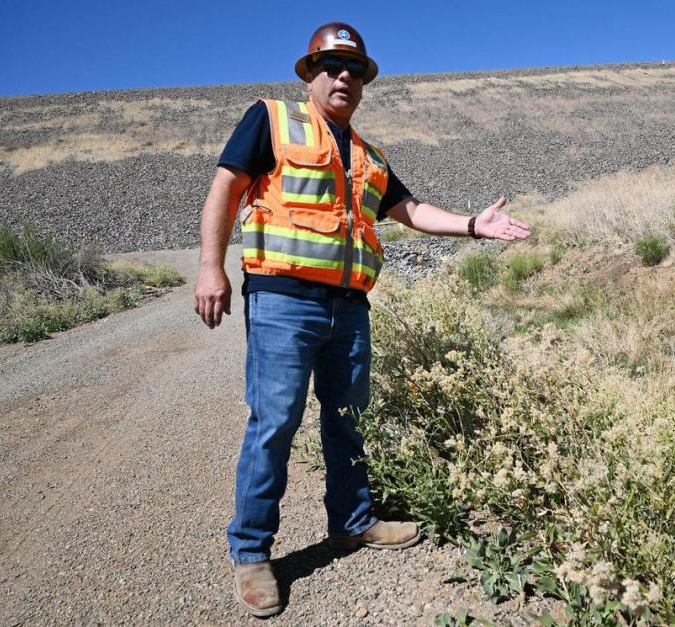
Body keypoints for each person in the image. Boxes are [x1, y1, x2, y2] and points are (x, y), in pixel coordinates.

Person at [194, 22, 531, 617]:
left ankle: (351, 523)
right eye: (331, 65)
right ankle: (251, 554)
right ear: (311, 73)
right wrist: (210, 269)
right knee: (274, 422)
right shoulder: (271, 120)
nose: (344, 76)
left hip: (349, 307)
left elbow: (412, 210)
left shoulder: (370, 157)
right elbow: (225, 189)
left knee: (349, 419)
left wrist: (476, 226)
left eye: (354, 69)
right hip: (282, 300)